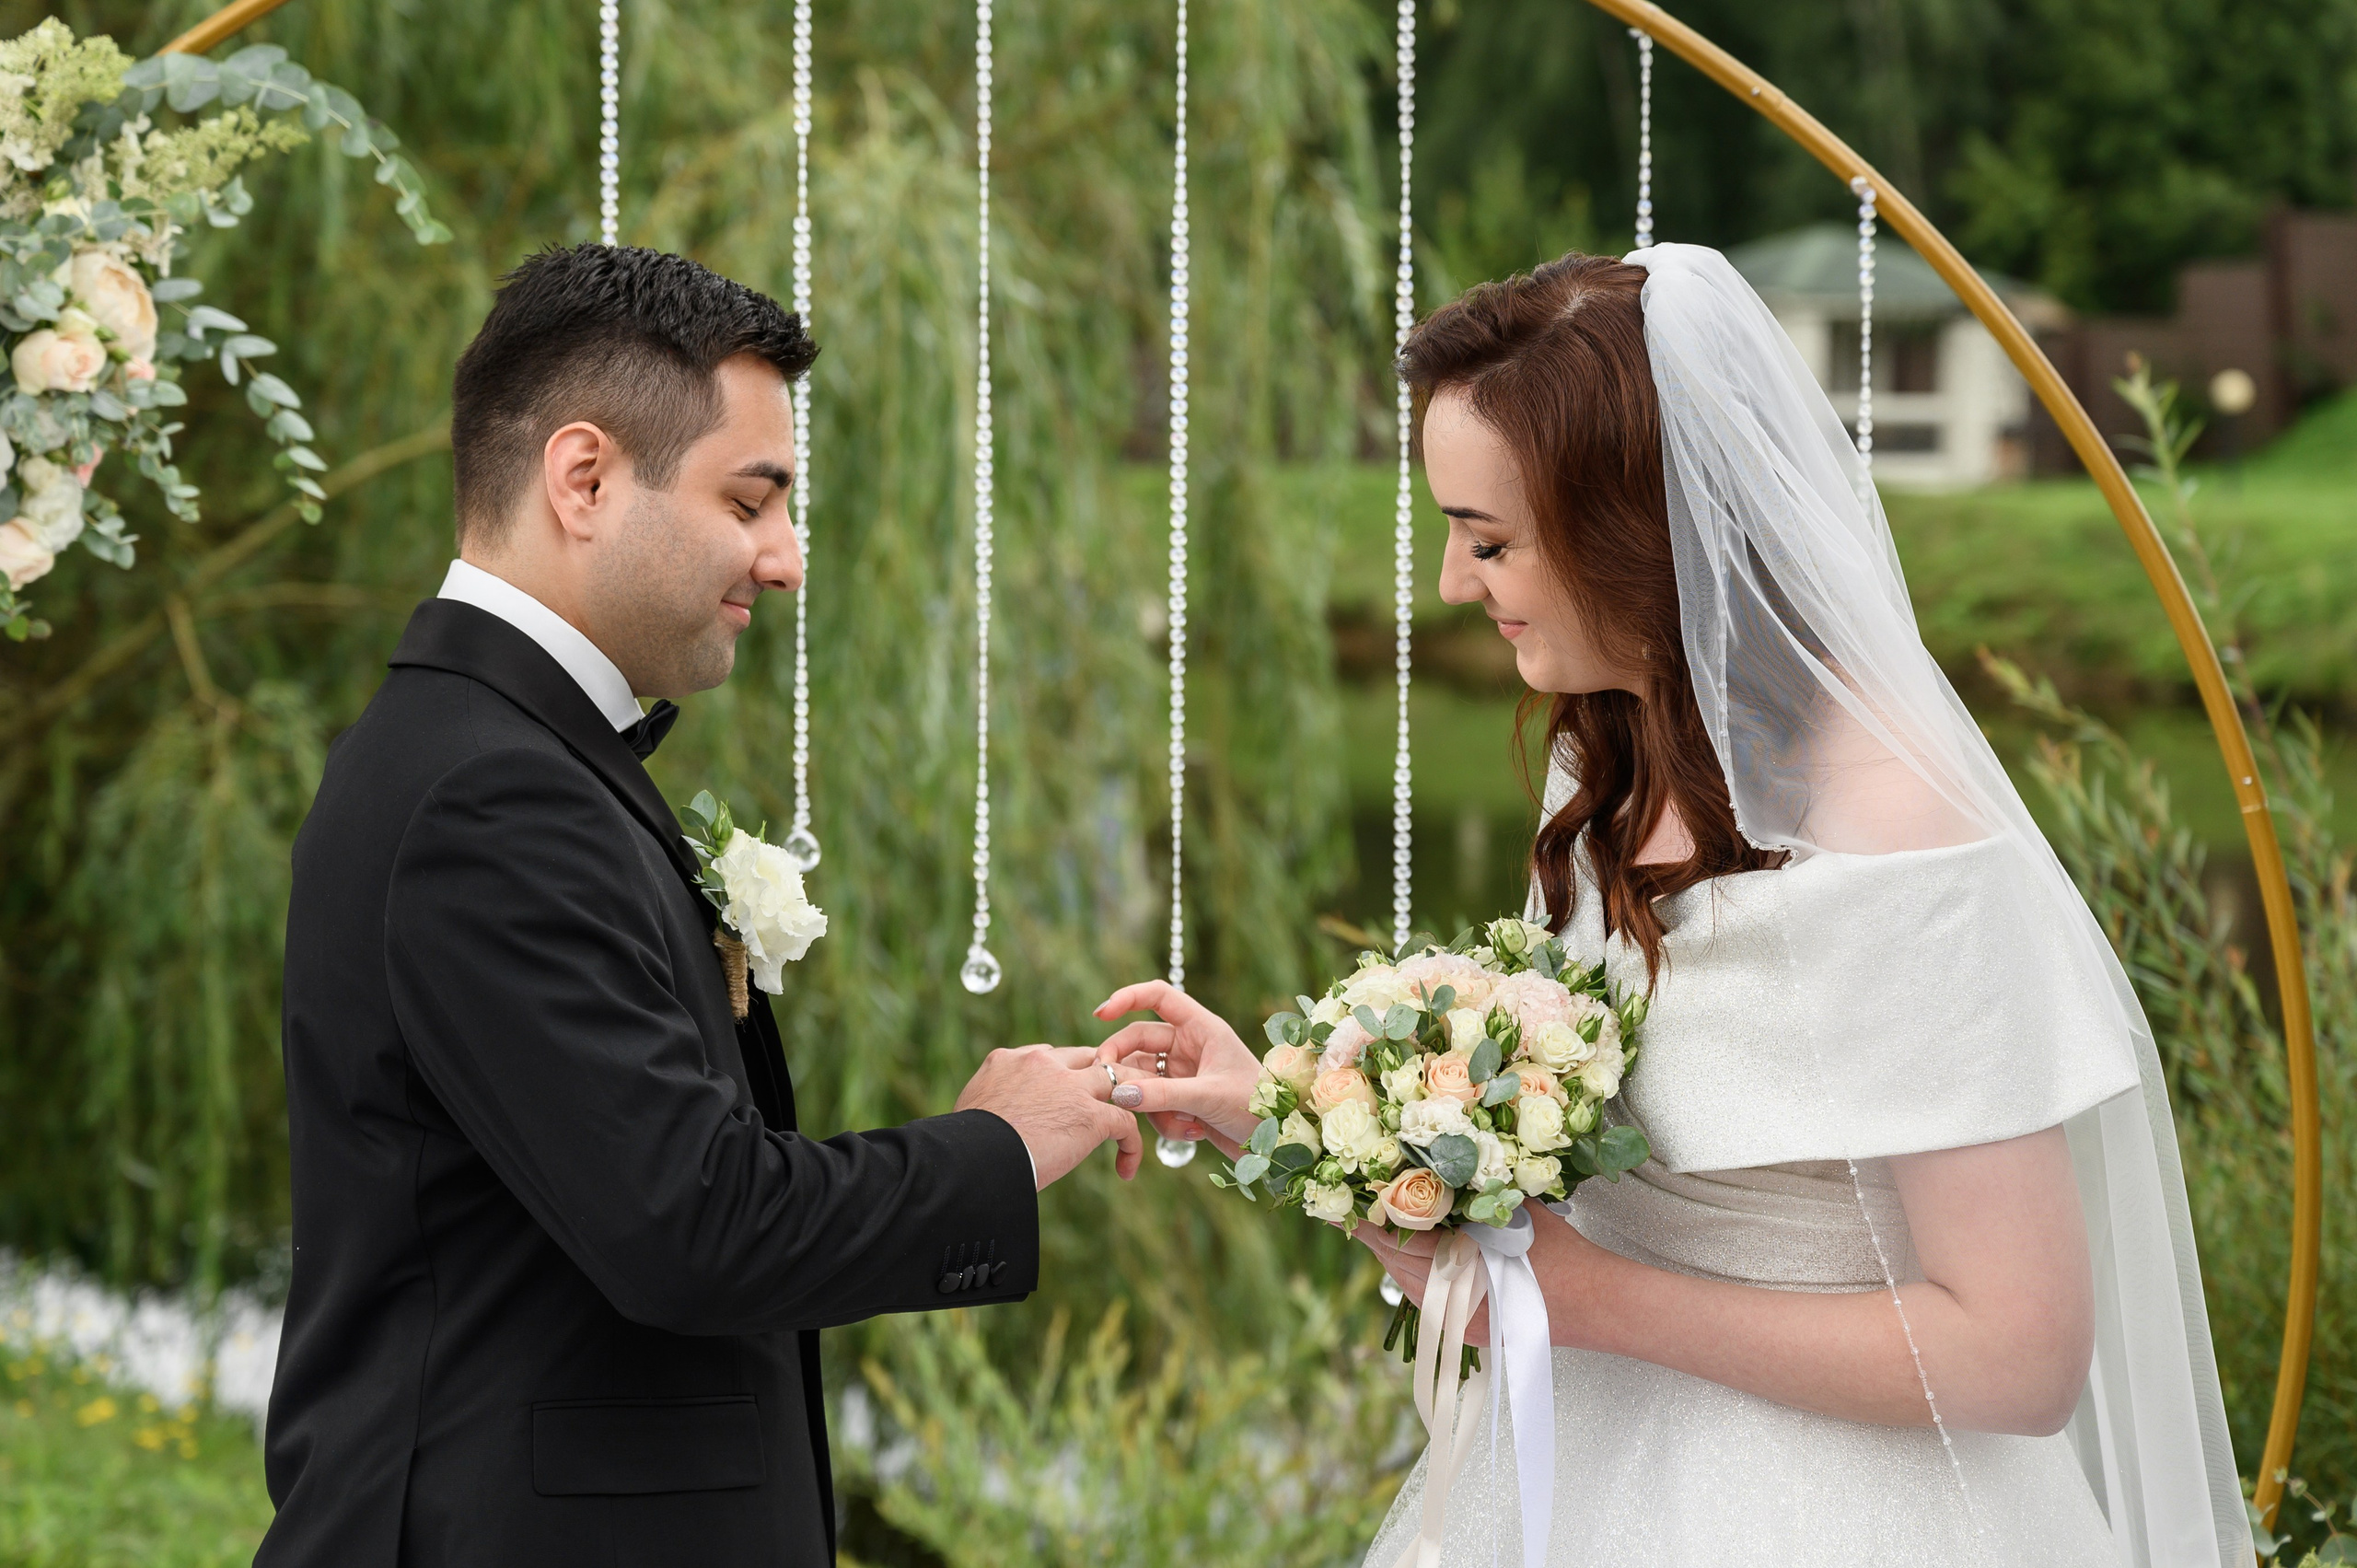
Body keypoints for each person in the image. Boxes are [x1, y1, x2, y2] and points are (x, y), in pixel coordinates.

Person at [1094, 247, 2250, 1566]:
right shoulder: (1608, 769)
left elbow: (2020, 1354)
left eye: (1489, 540)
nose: (1453, 583)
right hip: (1588, 1470)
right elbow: (1584, 1177)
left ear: (1633, 530)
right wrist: (1303, 1114)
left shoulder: (1896, 839)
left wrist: (1597, 1302)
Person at [260, 245, 1139, 1568]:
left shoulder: (504, 755)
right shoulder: (487, 796)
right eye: (750, 501)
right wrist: (994, 1149)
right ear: (584, 479)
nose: (786, 561)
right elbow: (694, 1226)